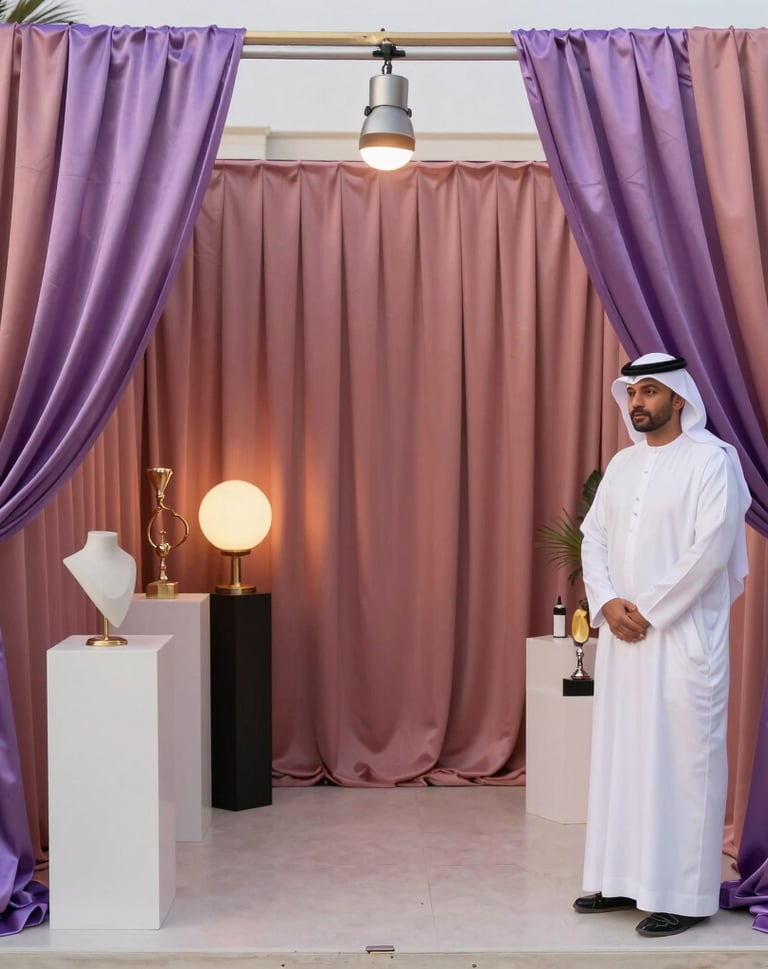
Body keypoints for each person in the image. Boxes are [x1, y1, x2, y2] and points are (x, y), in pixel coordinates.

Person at [574, 352, 751, 938]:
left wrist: (644, 609)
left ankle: (685, 894)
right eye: (631, 394)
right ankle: (622, 878)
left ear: (679, 398)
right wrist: (605, 604)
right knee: (625, 759)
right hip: (625, 638)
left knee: (681, 763)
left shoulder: (712, 462)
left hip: (683, 641)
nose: (638, 404)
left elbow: (709, 549)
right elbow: (591, 540)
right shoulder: (622, 466)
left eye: (650, 392)